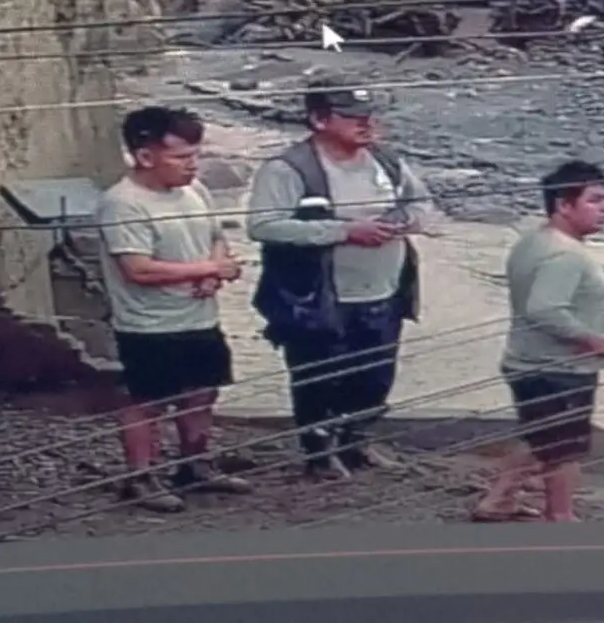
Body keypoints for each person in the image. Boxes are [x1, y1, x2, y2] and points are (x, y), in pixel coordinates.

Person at [245, 77, 437, 481]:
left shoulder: (385, 160)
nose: (365, 124)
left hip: (384, 291)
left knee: (375, 375)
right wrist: (343, 231)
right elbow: (263, 227)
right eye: (352, 117)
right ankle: (318, 454)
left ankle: (356, 442)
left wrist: (406, 222)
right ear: (318, 120)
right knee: (318, 378)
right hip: (317, 297)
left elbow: (421, 202)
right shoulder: (288, 169)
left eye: (367, 116)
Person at [96, 106, 251, 512]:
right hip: (149, 326)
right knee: (146, 401)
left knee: (202, 393)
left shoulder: (195, 191)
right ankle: (139, 477)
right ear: (145, 156)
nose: (192, 165)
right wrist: (209, 268)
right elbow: (137, 268)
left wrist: (213, 273)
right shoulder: (123, 203)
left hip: (199, 317)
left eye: (195, 155)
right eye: (181, 157)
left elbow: (216, 237)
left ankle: (194, 465)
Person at [473, 160, 604, 523]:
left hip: (525, 361)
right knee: (565, 451)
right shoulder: (566, 255)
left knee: (538, 437)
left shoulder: (533, 240)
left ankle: (499, 500)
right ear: (563, 205)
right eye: (595, 200)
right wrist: (591, 338)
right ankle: (561, 517)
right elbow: (545, 309)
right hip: (558, 370)